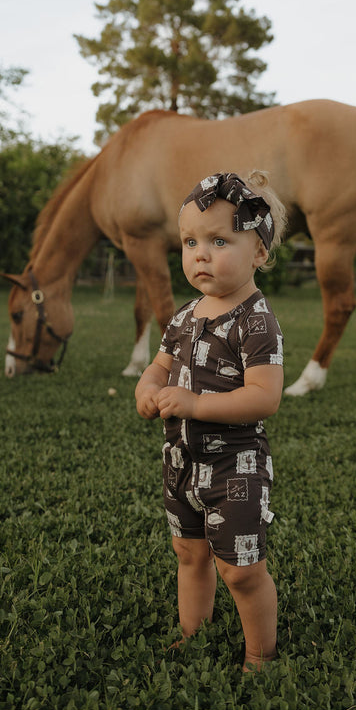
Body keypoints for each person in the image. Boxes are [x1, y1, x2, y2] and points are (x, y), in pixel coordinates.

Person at [135, 170, 287, 671]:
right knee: (189, 555)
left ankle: (259, 657)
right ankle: (191, 636)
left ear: (259, 253)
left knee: (240, 571)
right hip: (180, 462)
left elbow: (264, 398)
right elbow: (160, 364)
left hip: (234, 469)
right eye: (190, 241)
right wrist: (148, 387)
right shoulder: (184, 315)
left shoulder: (255, 321)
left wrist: (196, 405)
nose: (201, 253)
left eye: (220, 240)